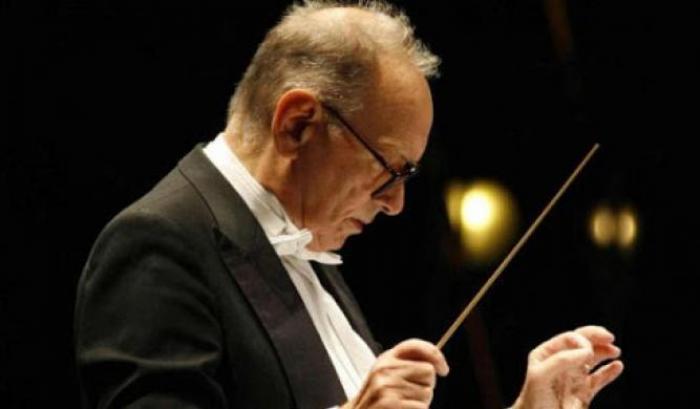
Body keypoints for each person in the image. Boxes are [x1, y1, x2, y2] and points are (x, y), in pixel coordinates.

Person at [74, 1, 623, 408]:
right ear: (298, 125)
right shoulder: (158, 243)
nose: (397, 203)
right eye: (390, 170)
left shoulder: (306, 242)